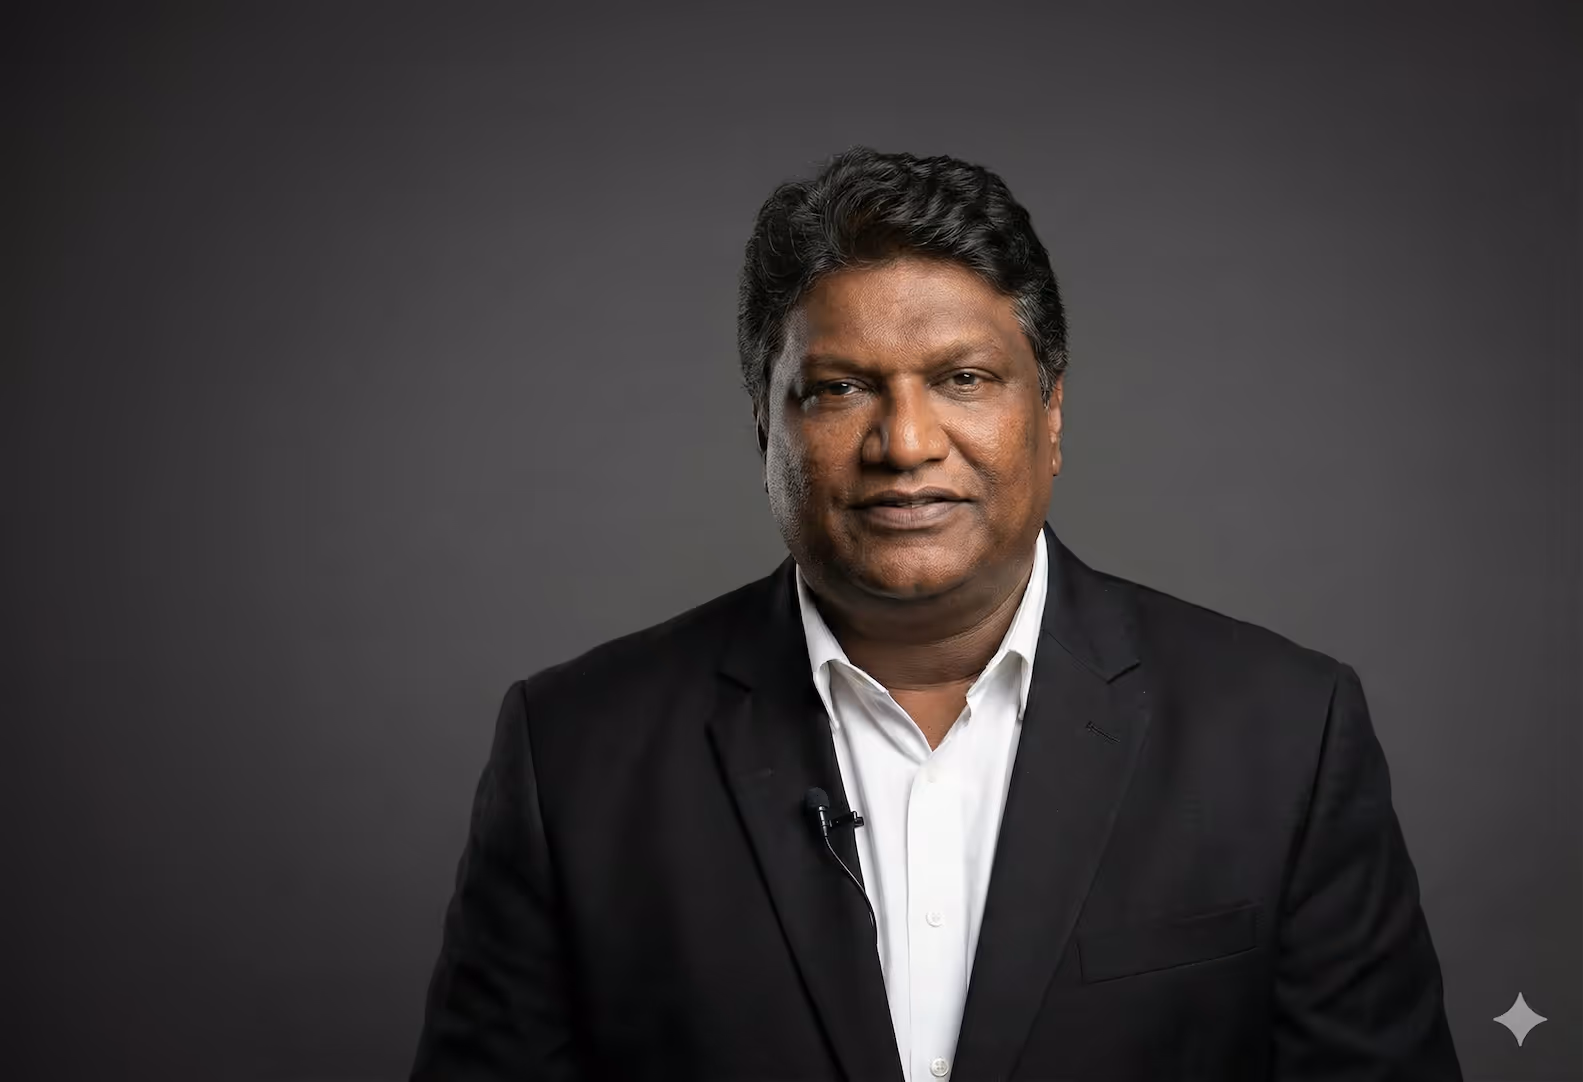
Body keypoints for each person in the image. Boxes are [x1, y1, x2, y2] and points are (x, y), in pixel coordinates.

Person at [409, 146, 1462, 1081]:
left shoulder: (1282, 733)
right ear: (762, 429)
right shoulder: (575, 750)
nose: (904, 442)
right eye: (836, 389)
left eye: (961, 377)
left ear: (1048, 412)